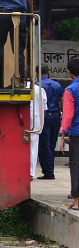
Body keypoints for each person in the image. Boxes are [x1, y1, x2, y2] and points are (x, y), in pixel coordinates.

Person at [36, 64, 64, 179]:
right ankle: (50, 169)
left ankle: (48, 172)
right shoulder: (57, 84)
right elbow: (62, 101)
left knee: (44, 145)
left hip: (44, 117)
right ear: (48, 72)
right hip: (56, 117)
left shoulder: (37, 86)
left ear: (37, 73)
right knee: (52, 145)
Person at [60, 59, 79, 210]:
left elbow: (67, 115)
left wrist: (62, 135)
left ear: (69, 72)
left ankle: (77, 202)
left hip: (77, 133)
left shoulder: (70, 90)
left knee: (76, 165)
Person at [29, 79, 47, 181]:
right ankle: (30, 173)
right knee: (33, 149)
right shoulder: (40, 90)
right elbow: (44, 109)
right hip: (35, 124)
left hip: (22, 121)